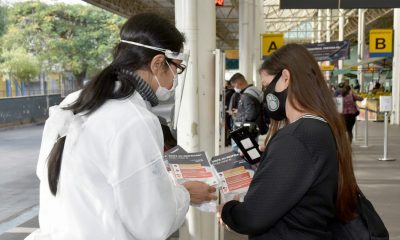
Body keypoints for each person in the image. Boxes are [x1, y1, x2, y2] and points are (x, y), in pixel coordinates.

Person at [26, 13, 217, 240]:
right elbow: (153, 222)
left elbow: (56, 172)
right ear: (157, 63)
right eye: (177, 68)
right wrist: (185, 193)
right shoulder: (136, 120)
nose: (175, 78)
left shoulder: (76, 100)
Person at [218, 44, 359, 239]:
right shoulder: (322, 128)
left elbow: (251, 217)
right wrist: (269, 163)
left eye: (267, 86)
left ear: (285, 78)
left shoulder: (296, 137)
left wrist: (227, 210)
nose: (266, 94)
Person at [229, 73, 263, 152]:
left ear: (238, 84)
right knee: (250, 151)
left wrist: (238, 117)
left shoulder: (247, 95)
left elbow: (250, 115)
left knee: (240, 153)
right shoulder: (255, 90)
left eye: (234, 86)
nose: (234, 88)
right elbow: (253, 109)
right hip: (253, 128)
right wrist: (240, 111)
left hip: (245, 130)